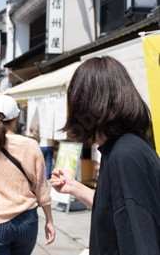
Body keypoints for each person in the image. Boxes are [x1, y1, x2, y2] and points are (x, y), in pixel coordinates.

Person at [50, 56, 160, 254]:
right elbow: (116, 208)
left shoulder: (124, 155)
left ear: (85, 104)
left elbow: (141, 242)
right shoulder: (128, 147)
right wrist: (74, 187)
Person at [0, 95, 55, 254]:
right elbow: (41, 186)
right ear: (16, 118)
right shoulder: (31, 145)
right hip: (26, 219)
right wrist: (49, 220)